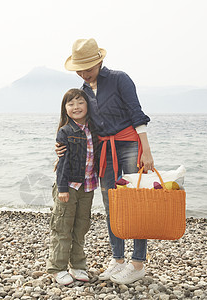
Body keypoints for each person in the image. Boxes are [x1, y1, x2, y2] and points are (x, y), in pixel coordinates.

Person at [58, 38, 155, 285]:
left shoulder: (120, 79)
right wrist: (62, 143)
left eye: (87, 67)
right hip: (104, 148)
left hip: (130, 143)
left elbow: (136, 112)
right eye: (79, 69)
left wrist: (146, 150)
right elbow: (80, 122)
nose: (83, 73)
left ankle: (137, 263)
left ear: (100, 61)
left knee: (135, 202)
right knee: (112, 203)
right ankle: (118, 259)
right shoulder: (83, 89)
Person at [46, 88, 99, 285]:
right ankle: (57, 267)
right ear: (65, 108)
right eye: (71, 103)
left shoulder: (95, 129)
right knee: (62, 226)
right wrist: (62, 189)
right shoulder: (66, 131)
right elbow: (63, 163)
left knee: (81, 227)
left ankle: (77, 265)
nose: (76, 107)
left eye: (80, 102)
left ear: (88, 105)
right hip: (68, 186)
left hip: (88, 186)